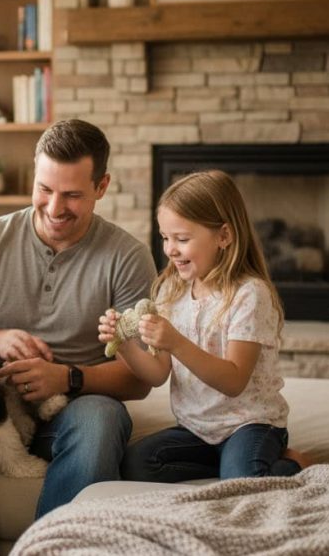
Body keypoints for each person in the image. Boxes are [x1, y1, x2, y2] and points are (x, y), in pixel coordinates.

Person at [0, 119, 158, 556]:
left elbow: (141, 379)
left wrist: (67, 378)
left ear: (101, 186)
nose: (55, 207)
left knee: (102, 420)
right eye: (44, 189)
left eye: (72, 194)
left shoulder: (128, 258)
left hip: (75, 405)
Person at [100, 169, 309, 482]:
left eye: (182, 239)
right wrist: (125, 345)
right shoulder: (171, 290)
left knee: (241, 482)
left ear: (223, 236)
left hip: (249, 424)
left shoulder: (249, 294)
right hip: (196, 430)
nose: (170, 249)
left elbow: (234, 381)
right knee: (136, 463)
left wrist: (176, 342)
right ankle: (230, 465)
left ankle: (292, 463)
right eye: (165, 238)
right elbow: (157, 374)